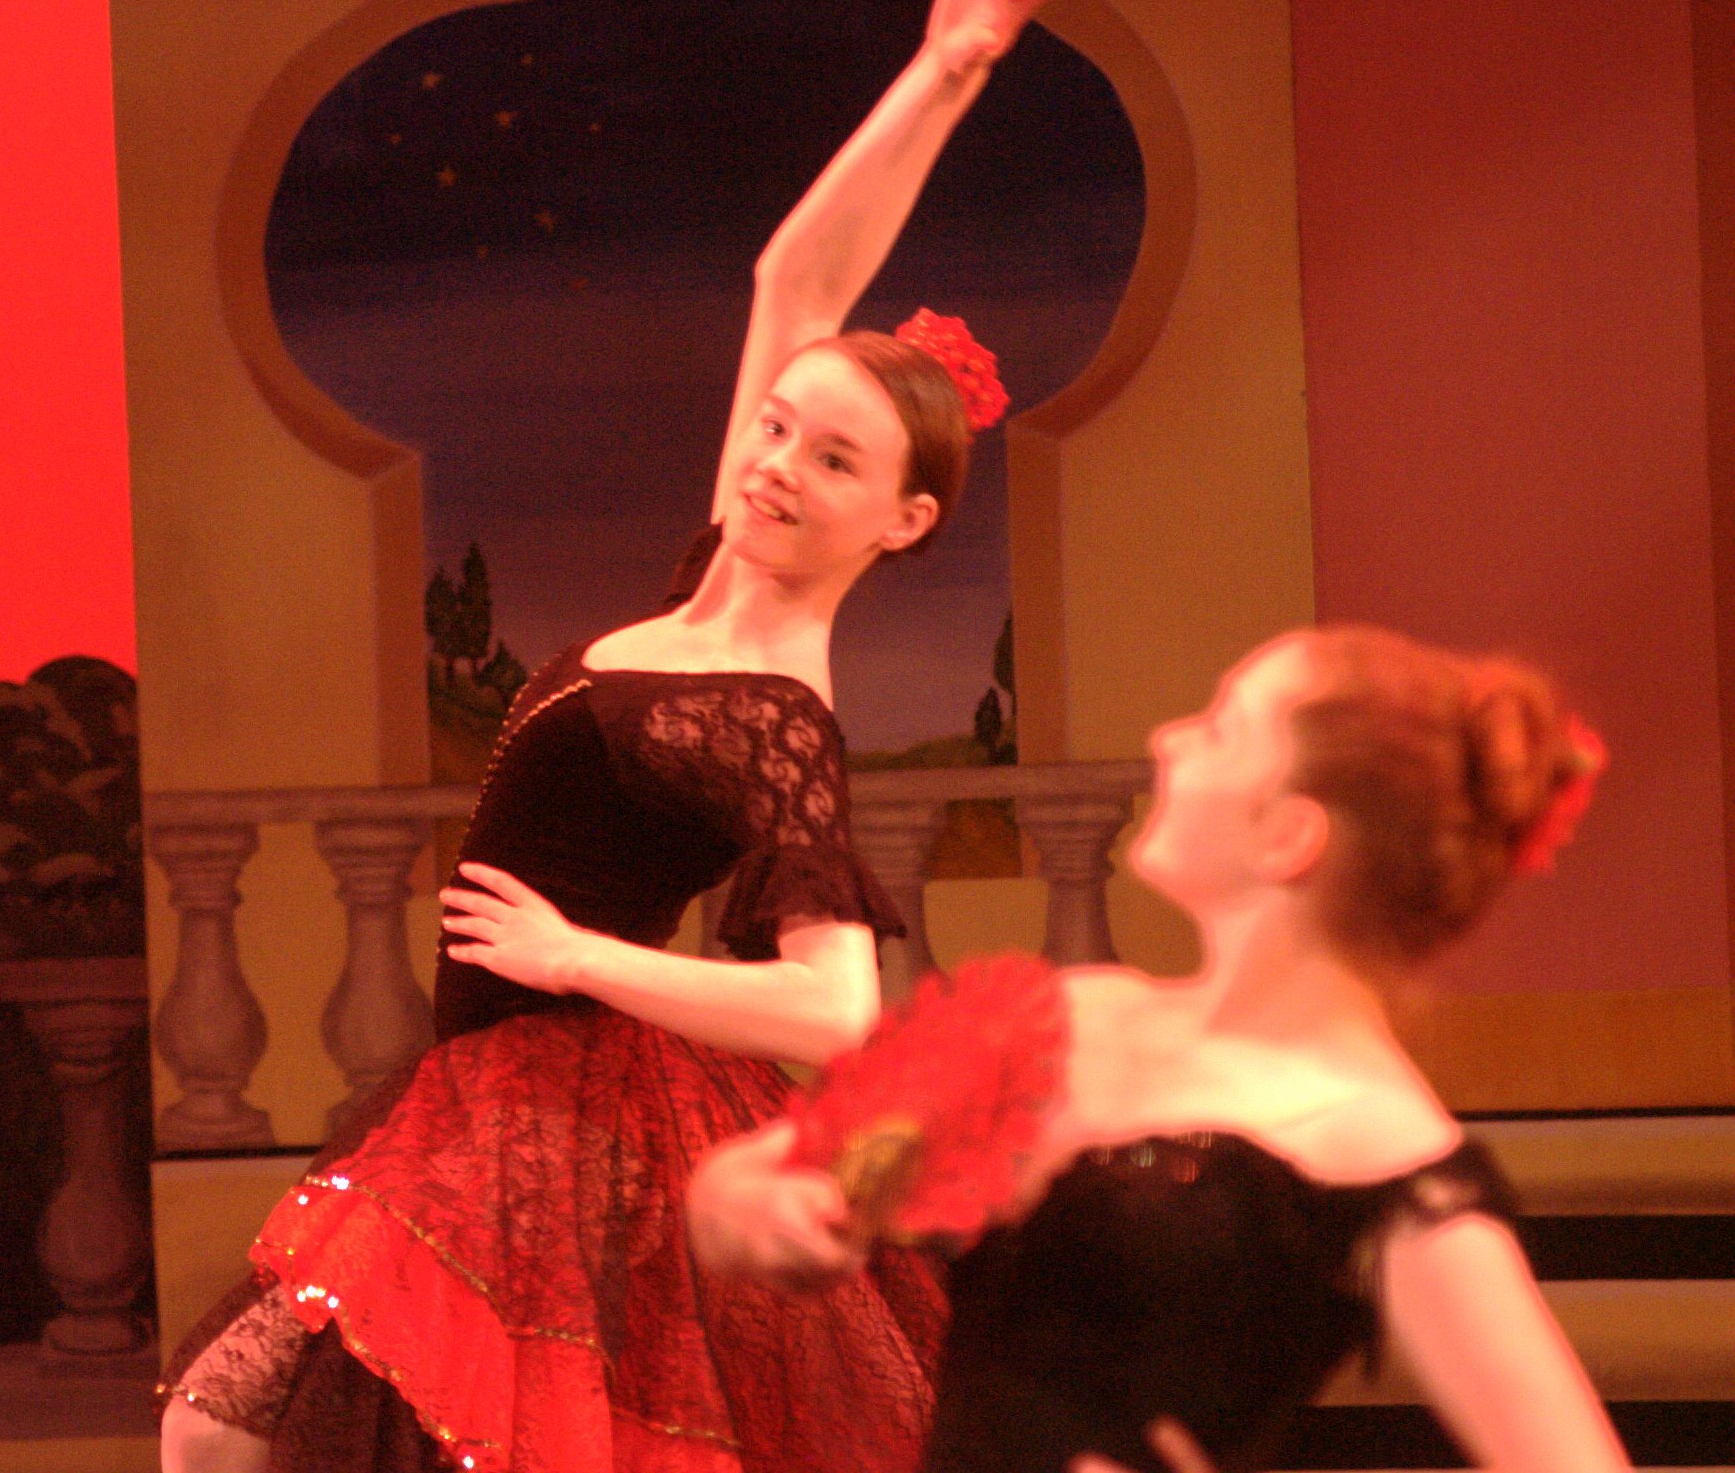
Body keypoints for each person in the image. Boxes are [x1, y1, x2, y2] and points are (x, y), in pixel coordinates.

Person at [159, 0, 1080, 1473]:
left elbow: (835, 1009)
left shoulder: (769, 711)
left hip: (563, 1114)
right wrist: (943, 68)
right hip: (491, 1090)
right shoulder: (709, 579)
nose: (775, 464)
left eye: (832, 460)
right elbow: (799, 272)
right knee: (242, 1426)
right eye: (777, 428)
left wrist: (576, 956)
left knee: (230, 1428)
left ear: (903, 519)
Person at [686, 625, 1630, 1473]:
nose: (1169, 740)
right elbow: (748, 1182)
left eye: (1220, 729)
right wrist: (763, 1208)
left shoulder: (1379, 1145)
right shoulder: (1070, 1016)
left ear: (1288, 836)